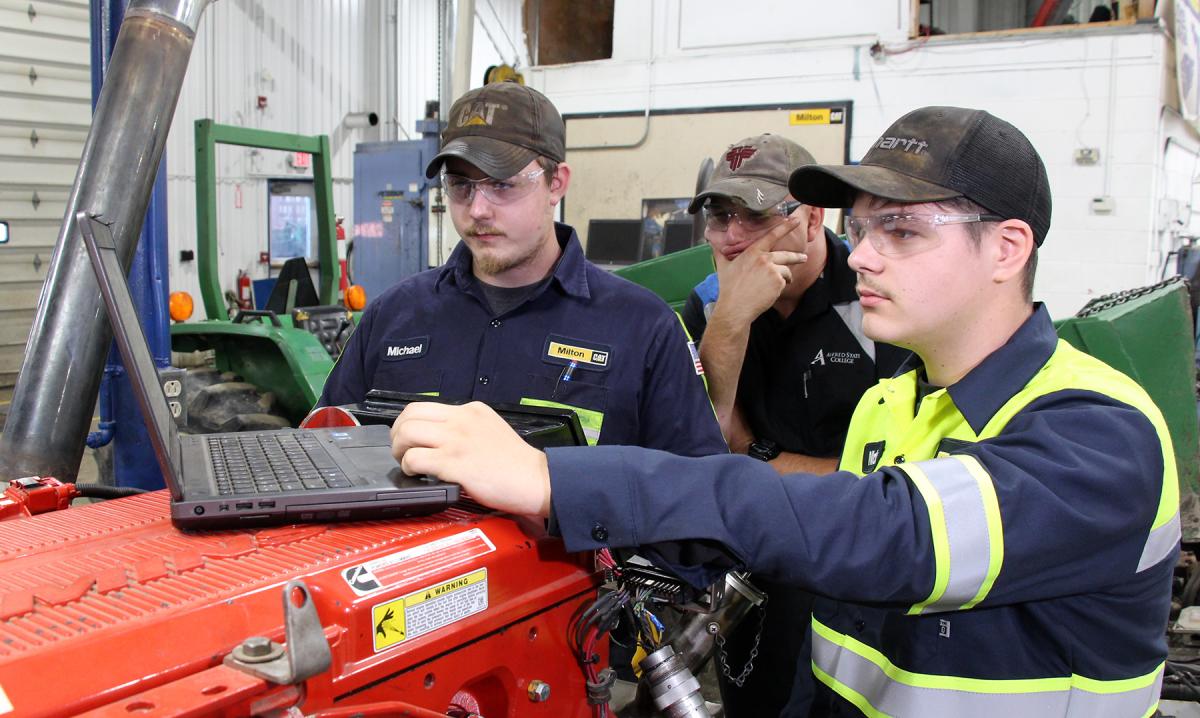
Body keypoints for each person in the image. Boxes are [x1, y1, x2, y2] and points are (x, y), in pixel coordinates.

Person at [390, 105, 1180, 717]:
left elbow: (875, 530)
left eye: (900, 231)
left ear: (1007, 249)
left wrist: (554, 478)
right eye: (864, 229)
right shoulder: (889, 404)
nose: (862, 254)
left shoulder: (1100, 431)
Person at [320, 81, 726, 460]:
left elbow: (697, 491)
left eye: (501, 184)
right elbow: (325, 445)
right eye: (461, 186)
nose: (477, 210)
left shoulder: (644, 329)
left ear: (556, 183)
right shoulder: (392, 316)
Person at [681, 133, 907, 716]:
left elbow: (896, 485)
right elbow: (702, 444)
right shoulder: (710, 304)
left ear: (811, 218)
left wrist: (754, 456)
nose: (731, 238)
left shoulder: (876, 301)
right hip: (757, 557)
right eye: (719, 215)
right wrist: (731, 319)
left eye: (754, 216)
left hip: (861, 562)